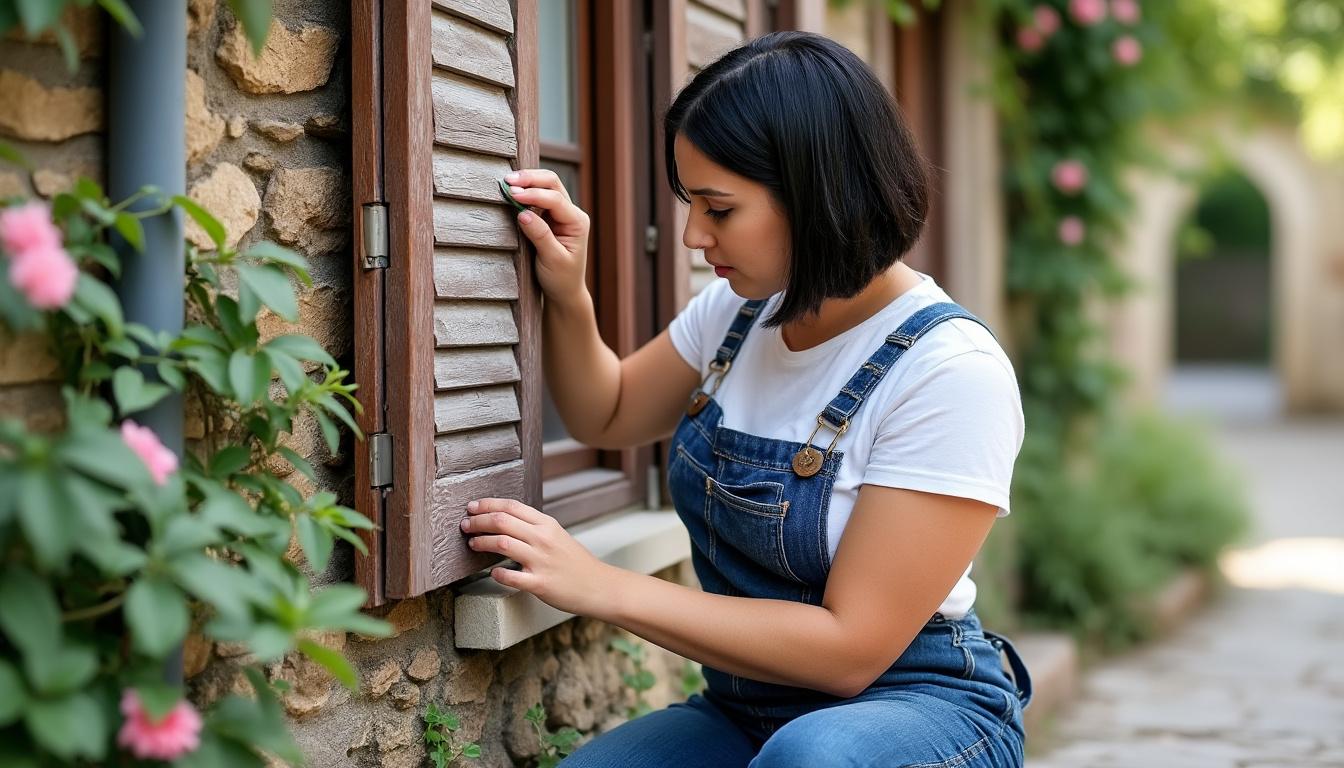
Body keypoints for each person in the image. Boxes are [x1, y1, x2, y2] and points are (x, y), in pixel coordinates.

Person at [459, 30, 1032, 768]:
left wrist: (598, 584)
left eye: (719, 208)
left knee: (812, 759)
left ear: (817, 195)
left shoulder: (949, 372)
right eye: (689, 203)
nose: (694, 235)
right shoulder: (737, 314)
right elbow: (609, 413)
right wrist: (567, 291)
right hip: (748, 709)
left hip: (919, 709)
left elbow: (849, 652)